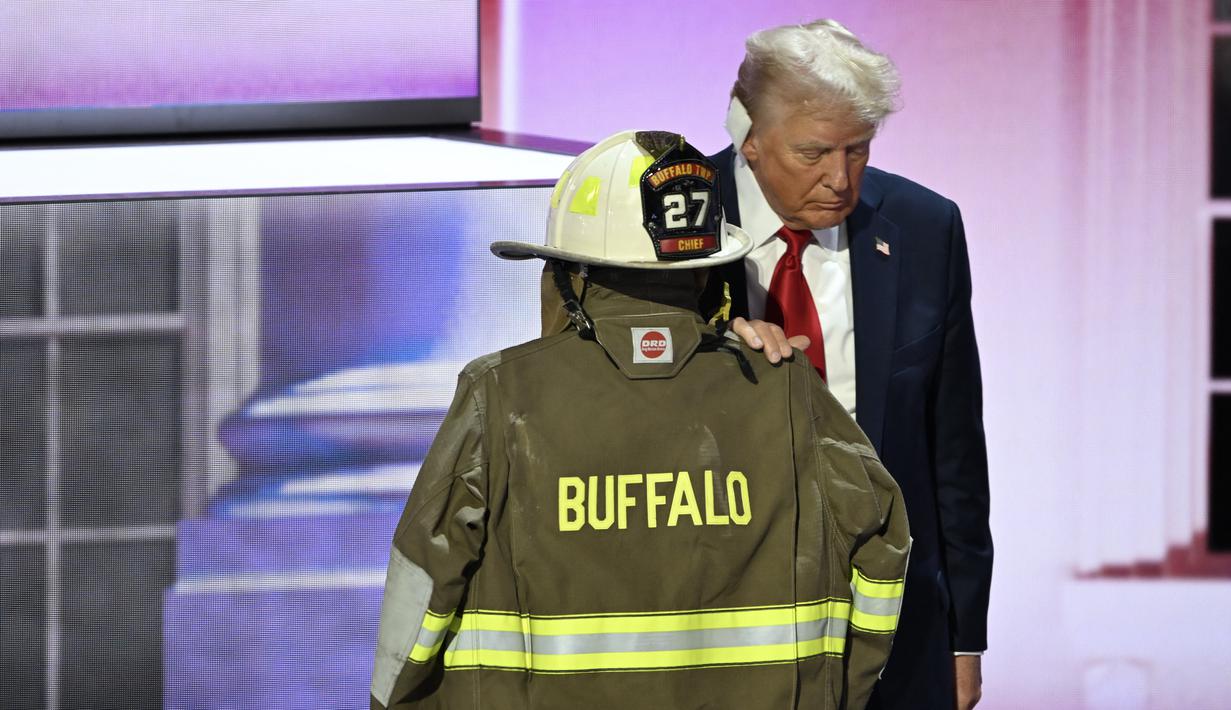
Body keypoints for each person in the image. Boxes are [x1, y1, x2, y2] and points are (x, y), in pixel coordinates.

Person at [371, 130, 911, 709]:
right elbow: (884, 544)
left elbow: (420, 587)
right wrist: (834, 693)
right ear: (703, 273)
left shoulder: (497, 396)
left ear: (572, 276)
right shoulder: (787, 388)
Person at [702, 20, 993, 710]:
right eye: (813, 153)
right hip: (719, 614)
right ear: (748, 138)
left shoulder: (924, 227)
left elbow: (951, 450)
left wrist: (962, 636)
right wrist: (708, 355)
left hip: (893, 620)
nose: (840, 180)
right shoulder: (667, 221)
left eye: (856, 150)